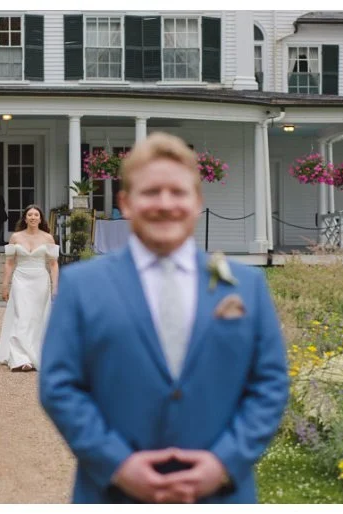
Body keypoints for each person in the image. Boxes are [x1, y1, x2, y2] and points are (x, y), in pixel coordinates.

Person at [39, 132, 289, 503]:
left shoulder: (246, 286)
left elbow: (270, 384)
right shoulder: (81, 286)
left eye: (177, 192)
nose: (165, 204)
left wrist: (223, 463)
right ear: (126, 202)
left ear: (198, 201)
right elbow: (59, 386)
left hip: (220, 495)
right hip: (113, 494)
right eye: (151, 192)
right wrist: (118, 465)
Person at [0, 205, 59, 372]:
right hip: (21, 279)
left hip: (40, 280)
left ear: (40, 218)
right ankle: (20, 357)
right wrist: (4, 284)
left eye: (36, 215)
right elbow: (9, 263)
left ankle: (36, 353)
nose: (32, 217)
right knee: (21, 316)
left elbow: (53, 264)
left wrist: (55, 287)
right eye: (29, 214)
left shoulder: (48, 238)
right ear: (24, 218)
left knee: (36, 318)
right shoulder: (15, 237)